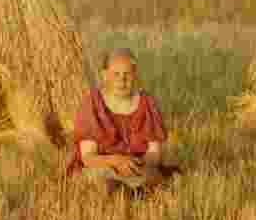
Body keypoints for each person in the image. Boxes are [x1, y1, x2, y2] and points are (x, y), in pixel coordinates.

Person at [66, 49, 180, 192]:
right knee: (103, 181)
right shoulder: (93, 103)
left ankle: (135, 191)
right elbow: (88, 157)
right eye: (116, 74)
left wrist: (133, 165)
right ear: (105, 76)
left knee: (153, 176)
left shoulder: (147, 103)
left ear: (135, 74)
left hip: (138, 167)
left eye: (127, 74)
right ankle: (125, 192)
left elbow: (154, 155)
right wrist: (117, 161)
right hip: (103, 167)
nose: (122, 80)